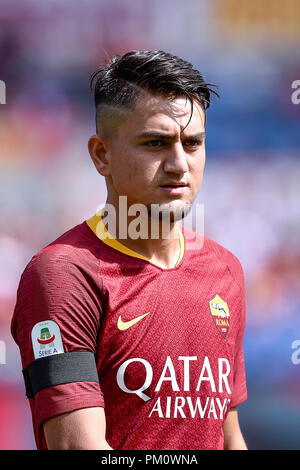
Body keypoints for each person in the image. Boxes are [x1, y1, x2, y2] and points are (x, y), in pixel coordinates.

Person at [11, 50, 248, 450]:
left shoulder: (225, 270)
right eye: (155, 143)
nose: (178, 164)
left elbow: (228, 436)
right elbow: (77, 447)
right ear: (102, 155)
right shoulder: (63, 275)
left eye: (193, 144)